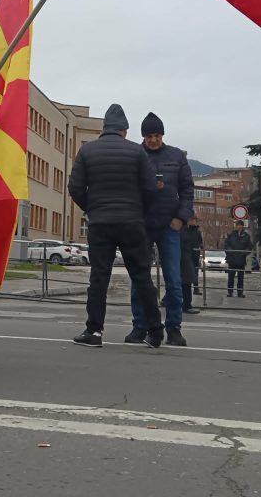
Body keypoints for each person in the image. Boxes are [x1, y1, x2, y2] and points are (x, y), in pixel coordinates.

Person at [69, 104, 163, 349]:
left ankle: (94, 331)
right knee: (142, 277)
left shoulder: (87, 151)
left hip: (100, 223)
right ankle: (155, 331)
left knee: (99, 277)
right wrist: (138, 211)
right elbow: (151, 188)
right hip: (132, 223)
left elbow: (75, 188)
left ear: (104, 128)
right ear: (125, 129)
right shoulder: (136, 152)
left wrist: (92, 208)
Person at [126, 112, 193, 347]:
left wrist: (181, 218)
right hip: (142, 226)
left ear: (162, 135)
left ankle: (174, 328)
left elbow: (187, 191)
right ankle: (139, 326)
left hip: (169, 225)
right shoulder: (134, 154)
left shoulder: (176, 156)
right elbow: (128, 189)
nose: (153, 140)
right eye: (148, 136)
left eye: (156, 135)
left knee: (173, 280)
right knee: (139, 279)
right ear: (143, 136)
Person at [224, 220, 252, 298]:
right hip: (232, 259)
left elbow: (249, 247)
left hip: (241, 259)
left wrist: (243, 253)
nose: (238, 226)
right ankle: (230, 292)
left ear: (242, 226)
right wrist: (231, 252)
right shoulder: (231, 235)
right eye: (237, 225)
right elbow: (226, 245)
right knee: (231, 277)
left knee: (240, 277)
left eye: (240, 225)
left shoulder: (246, 236)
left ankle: (240, 292)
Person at [181, 217, 203, 311]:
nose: (192, 221)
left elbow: (199, 242)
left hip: (192, 256)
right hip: (184, 257)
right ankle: (186, 305)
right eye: (191, 219)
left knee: (189, 279)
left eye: (194, 220)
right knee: (184, 281)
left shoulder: (196, 232)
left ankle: (187, 304)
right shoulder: (183, 230)